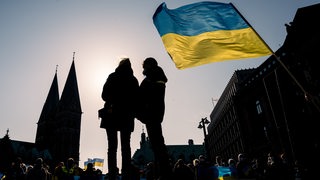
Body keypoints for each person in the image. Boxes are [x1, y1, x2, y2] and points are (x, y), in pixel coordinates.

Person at [101, 58, 139, 180]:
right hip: (126, 116)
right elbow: (137, 99)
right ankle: (126, 174)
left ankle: (112, 173)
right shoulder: (133, 80)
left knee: (112, 146)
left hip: (111, 115)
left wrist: (114, 99)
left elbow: (104, 95)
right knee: (126, 146)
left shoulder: (112, 76)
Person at [136, 57, 172, 180]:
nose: (143, 69)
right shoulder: (155, 77)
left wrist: (142, 107)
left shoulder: (154, 77)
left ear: (149, 66)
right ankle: (163, 173)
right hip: (153, 114)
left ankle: (165, 173)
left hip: (152, 114)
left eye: (144, 67)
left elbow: (151, 95)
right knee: (157, 144)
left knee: (158, 145)